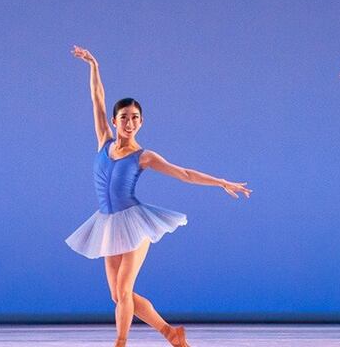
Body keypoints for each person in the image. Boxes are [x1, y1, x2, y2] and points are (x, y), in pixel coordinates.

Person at [65, 46, 251, 347]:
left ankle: (120, 343)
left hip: (135, 224)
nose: (129, 122)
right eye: (124, 117)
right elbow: (97, 99)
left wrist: (221, 182)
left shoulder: (144, 156)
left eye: (135, 118)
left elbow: (185, 173)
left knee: (124, 291)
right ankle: (170, 333)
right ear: (115, 121)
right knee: (116, 295)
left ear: (141, 122)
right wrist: (94, 66)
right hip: (108, 223)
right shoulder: (103, 141)